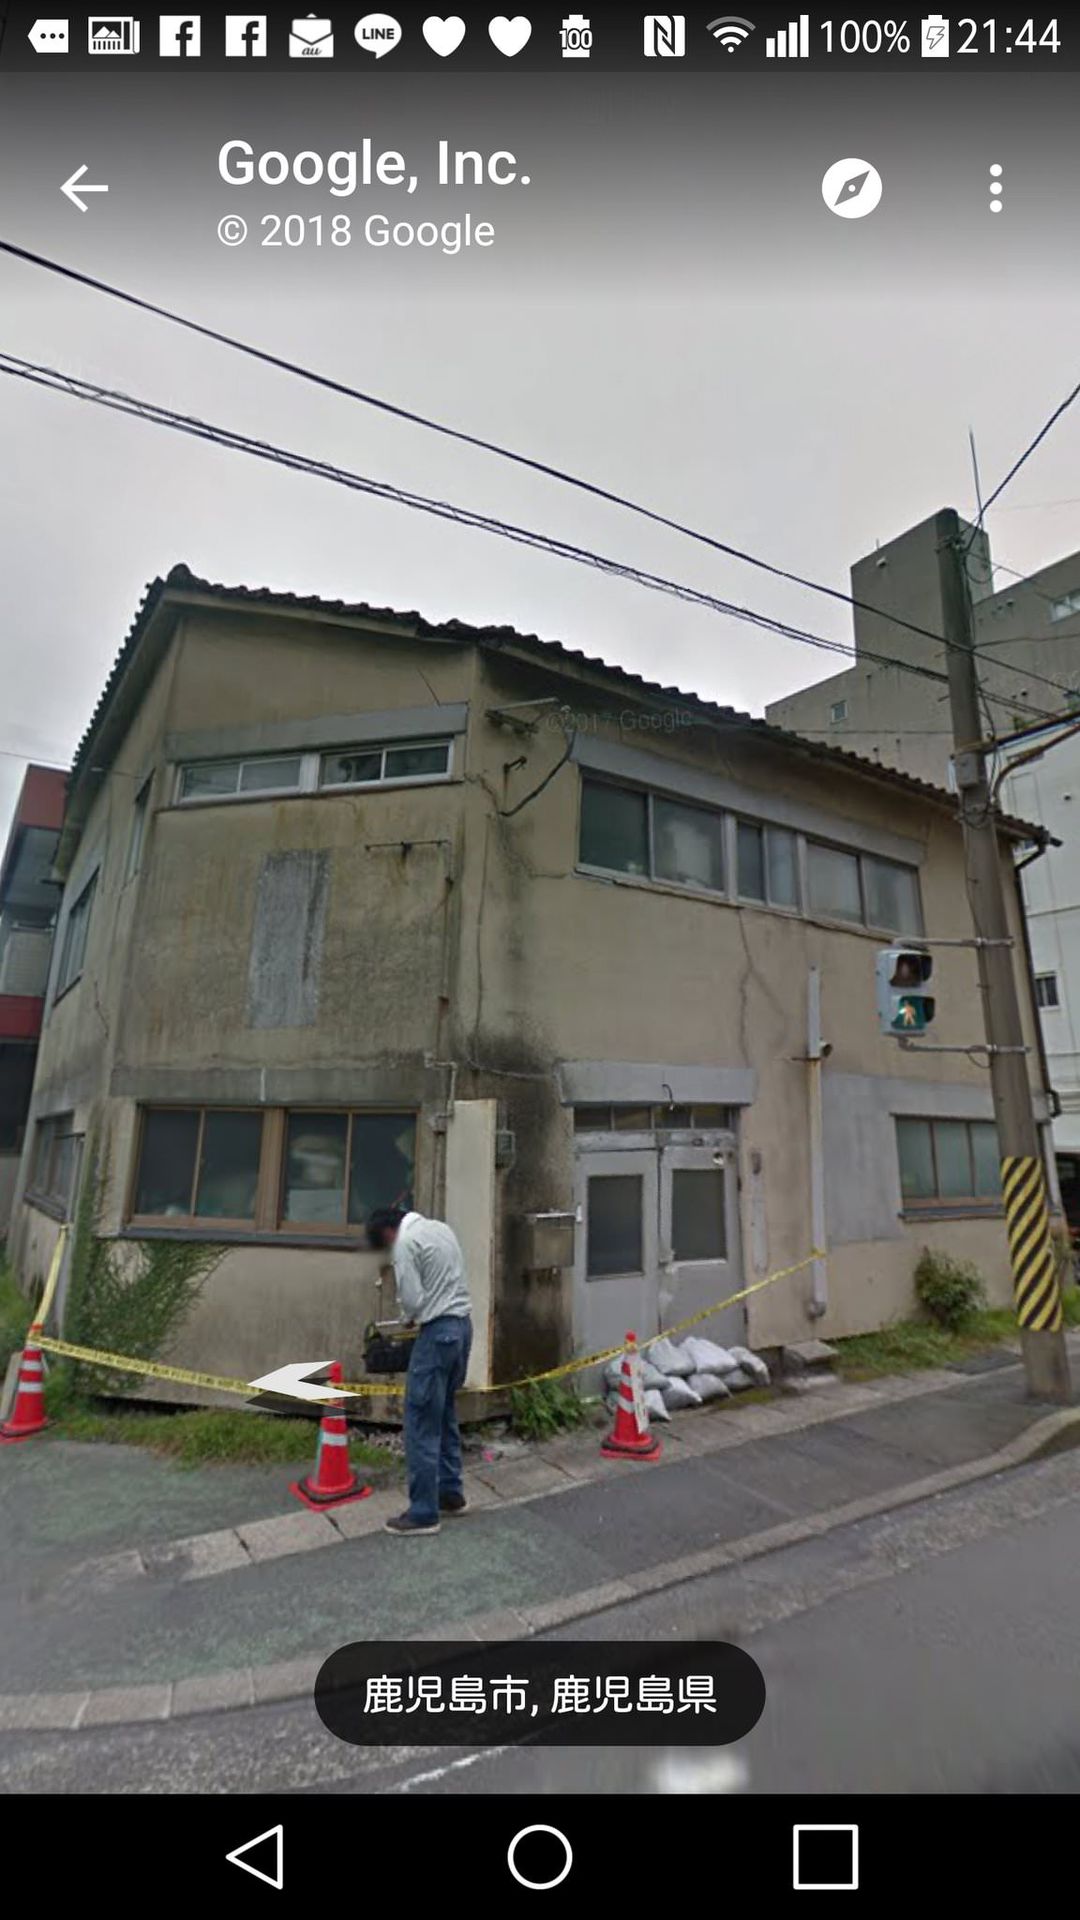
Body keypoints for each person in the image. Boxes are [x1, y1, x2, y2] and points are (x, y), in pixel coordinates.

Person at [367, 1205, 473, 1537]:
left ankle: (424, 1512)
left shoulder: (405, 1243)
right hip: (462, 1328)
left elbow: (412, 1300)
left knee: (421, 1420)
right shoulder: (441, 1229)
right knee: (444, 1413)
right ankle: (450, 1493)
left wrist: (407, 1319)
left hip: (437, 1333)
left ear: (388, 1233)